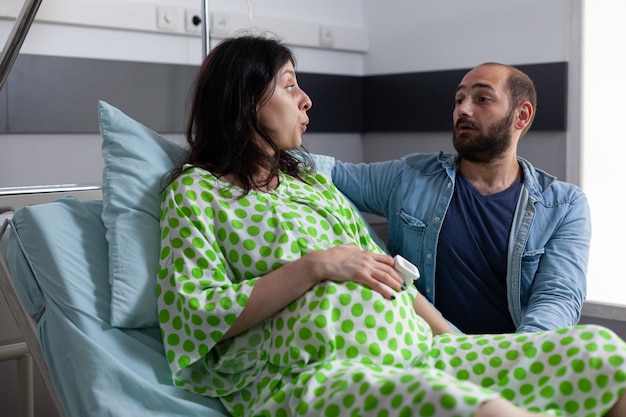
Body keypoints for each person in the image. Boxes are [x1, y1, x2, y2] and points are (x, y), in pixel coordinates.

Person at [157, 34, 626, 417]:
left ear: (521, 117)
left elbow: (394, 275)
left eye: (481, 99)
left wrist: (470, 351)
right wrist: (316, 265)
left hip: (419, 349)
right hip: (318, 371)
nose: (306, 99)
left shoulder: (311, 187)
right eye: (288, 85)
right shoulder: (197, 193)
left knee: (604, 354)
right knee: (483, 409)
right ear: (244, 101)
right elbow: (193, 313)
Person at [326, 62, 590, 334]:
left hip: (510, 358)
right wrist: (279, 142)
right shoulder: (410, 177)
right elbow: (325, 172)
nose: (463, 109)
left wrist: (513, 359)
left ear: (521, 115)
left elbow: (557, 298)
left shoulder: (565, 205)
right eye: (459, 99)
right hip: (423, 353)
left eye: (482, 99)